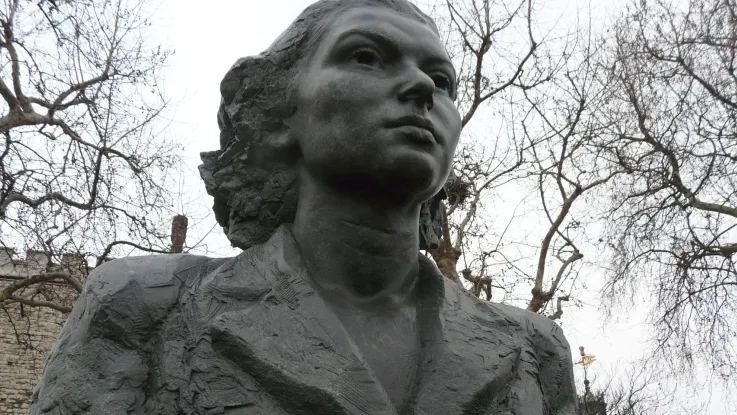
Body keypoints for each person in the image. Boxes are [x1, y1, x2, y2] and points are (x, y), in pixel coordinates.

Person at [30, 0, 577, 414]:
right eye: (366, 57)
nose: (419, 87)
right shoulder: (144, 308)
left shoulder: (535, 349)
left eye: (441, 80)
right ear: (278, 113)